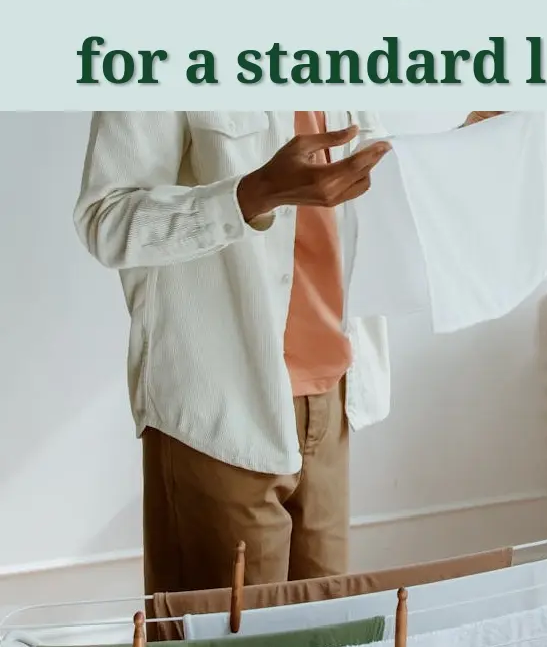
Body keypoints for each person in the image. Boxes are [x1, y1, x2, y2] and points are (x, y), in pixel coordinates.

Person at [74, 109, 499, 593]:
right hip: (219, 406)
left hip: (335, 396)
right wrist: (253, 194)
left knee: (323, 645)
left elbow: (367, 177)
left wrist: (455, 153)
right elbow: (105, 219)